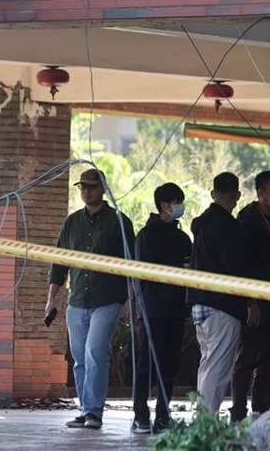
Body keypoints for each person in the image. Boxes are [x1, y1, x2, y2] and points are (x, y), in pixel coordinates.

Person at [45, 169, 134, 430]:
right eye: (83, 187)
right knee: (81, 358)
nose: (86, 191)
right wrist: (51, 299)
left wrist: (130, 299)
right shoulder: (72, 222)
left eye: (92, 187)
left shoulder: (119, 221)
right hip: (77, 300)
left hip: (108, 299)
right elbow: (59, 263)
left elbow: (131, 264)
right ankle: (85, 410)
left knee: (96, 353)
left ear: (103, 189)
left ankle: (94, 411)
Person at [186, 172, 256, 414]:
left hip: (199, 303)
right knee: (217, 368)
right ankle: (205, 424)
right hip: (223, 305)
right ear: (237, 195)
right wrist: (250, 300)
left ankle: (202, 419)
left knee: (207, 364)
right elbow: (235, 267)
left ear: (213, 194)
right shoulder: (228, 226)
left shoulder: (201, 224)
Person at [230, 170, 270, 422]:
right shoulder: (246, 220)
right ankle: (237, 409)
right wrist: (250, 301)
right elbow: (241, 262)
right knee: (248, 354)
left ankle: (261, 405)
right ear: (261, 193)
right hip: (255, 298)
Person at [131, 183, 192, 435]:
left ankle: (163, 415)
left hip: (175, 309)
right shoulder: (146, 236)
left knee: (169, 365)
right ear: (164, 205)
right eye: (176, 202)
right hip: (153, 309)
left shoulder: (182, 237)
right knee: (147, 363)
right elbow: (142, 276)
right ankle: (140, 415)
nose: (180, 207)